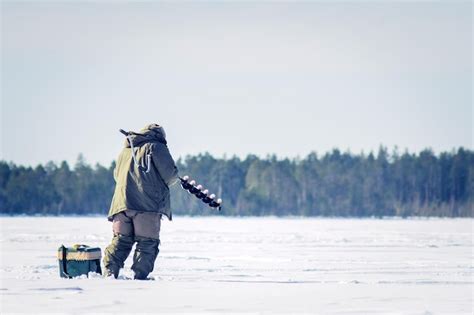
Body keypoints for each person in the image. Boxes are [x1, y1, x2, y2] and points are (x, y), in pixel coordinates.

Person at [103, 123, 178, 280]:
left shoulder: (126, 149)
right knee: (147, 244)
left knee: (120, 241)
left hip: (121, 204)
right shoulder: (156, 147)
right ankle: (139, 279)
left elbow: (117, 175)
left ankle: (109, 273)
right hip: (147, 206)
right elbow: (170, 175)